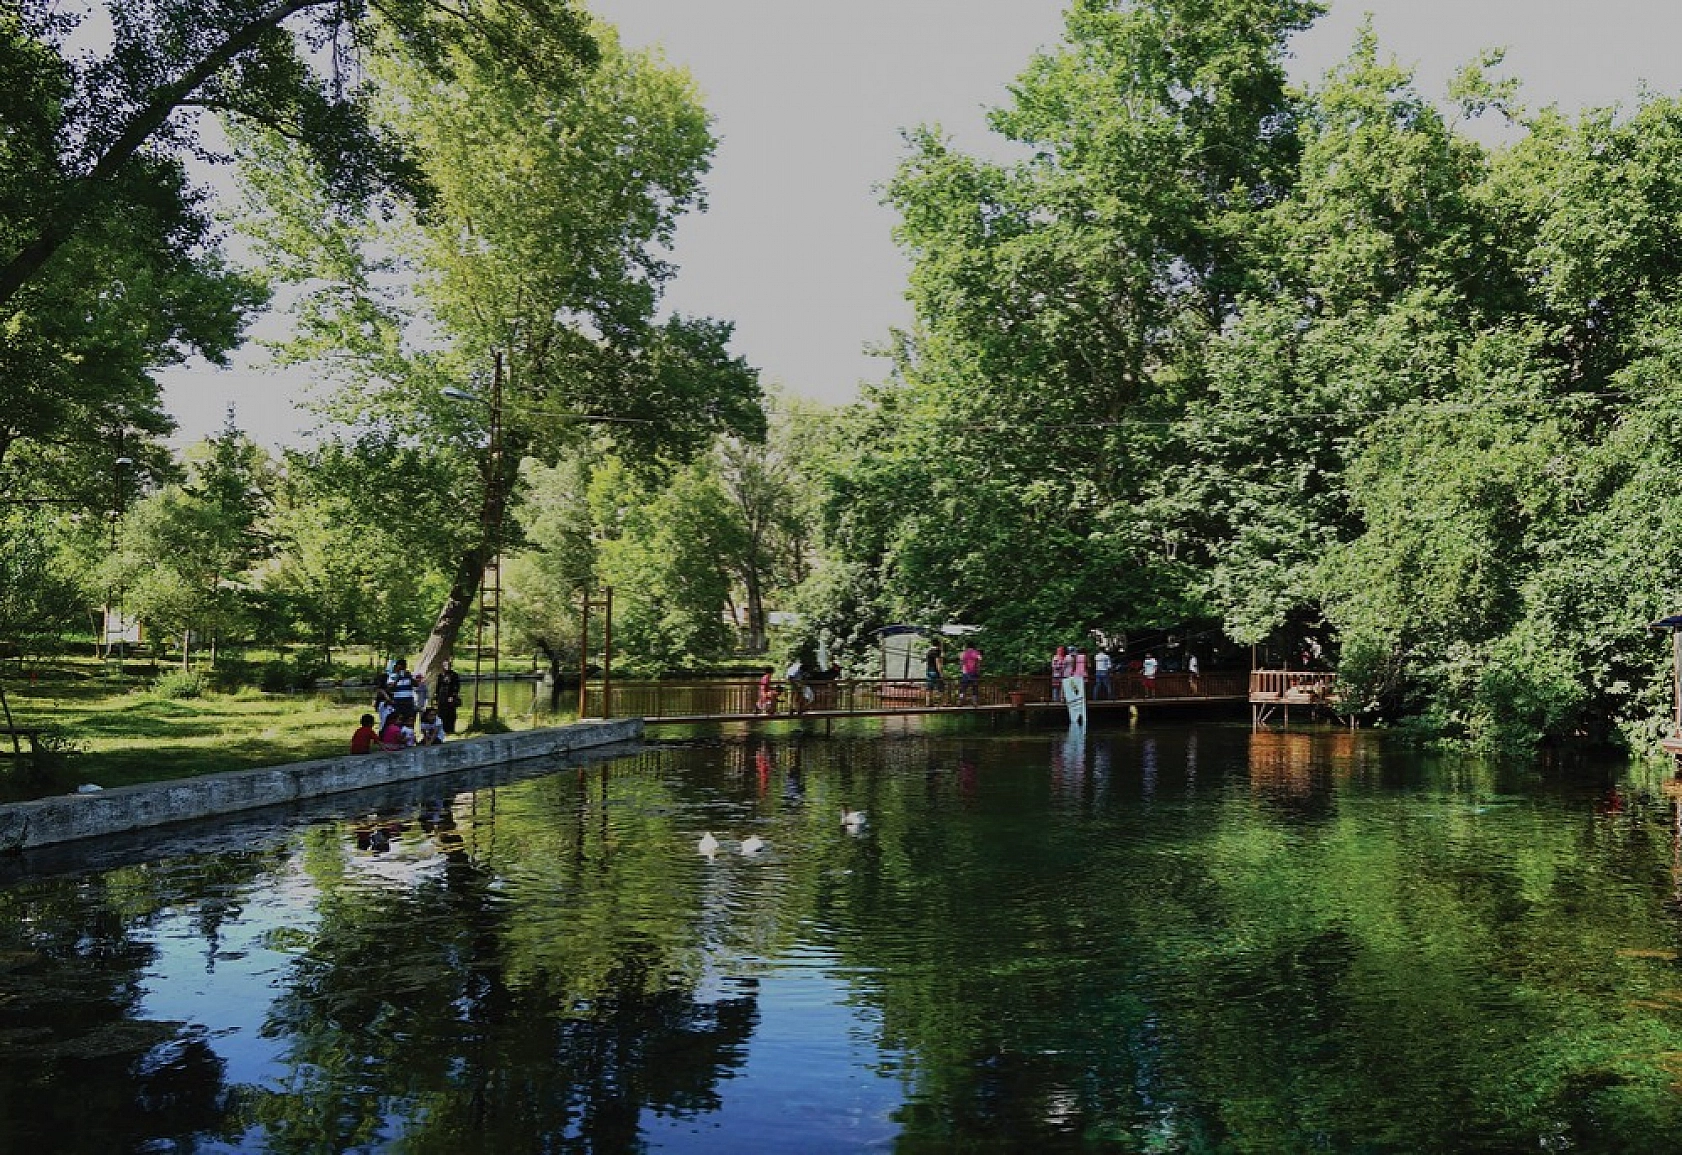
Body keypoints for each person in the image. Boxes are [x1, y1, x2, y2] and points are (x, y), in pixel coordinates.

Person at [436, 660, 462, 734]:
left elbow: (456, 686)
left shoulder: (454, 675)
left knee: (451, 713)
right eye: (446, 665)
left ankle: (450, 729)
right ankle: (442, 729)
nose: (448, 667)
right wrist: (436, 696)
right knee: (441, 713)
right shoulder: (441, 675)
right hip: (442, 697)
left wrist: (453, 695)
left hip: (450, 696)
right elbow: (438, 686)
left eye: (449, 665)